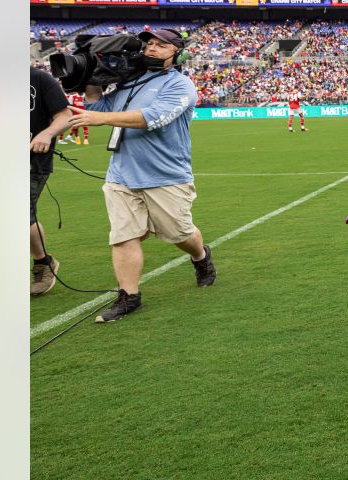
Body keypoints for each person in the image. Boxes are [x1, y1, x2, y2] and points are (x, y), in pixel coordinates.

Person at [67, 28, 216, 323]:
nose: (152, 49)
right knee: (123, 235)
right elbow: (98, 106)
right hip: (121, 173)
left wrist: (100, 118)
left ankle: (201, 256)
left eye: (162, 45)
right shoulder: (129, 83)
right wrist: (91, 77)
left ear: (178, 54)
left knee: (179, 233)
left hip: (166, 174)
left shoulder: (180, 85)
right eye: (149, 44)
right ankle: (128, 297)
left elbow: (153, 118)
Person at [30, 67, 72, 296]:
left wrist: (47, 133)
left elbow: (64, 116)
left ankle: (42, 263)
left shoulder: (39, 78)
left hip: (32, 160)